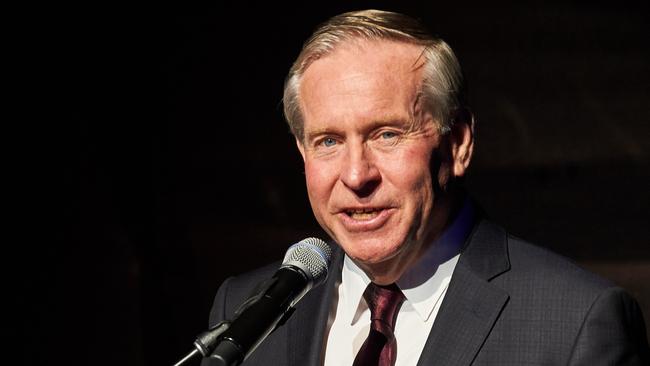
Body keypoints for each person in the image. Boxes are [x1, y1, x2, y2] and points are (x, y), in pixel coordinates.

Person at [202, 9, 649, 365]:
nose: (357, 176)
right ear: (302, 154)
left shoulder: (575, 323)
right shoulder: (245, 313)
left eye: (387, 134)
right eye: (329, 141)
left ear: (457, 144)